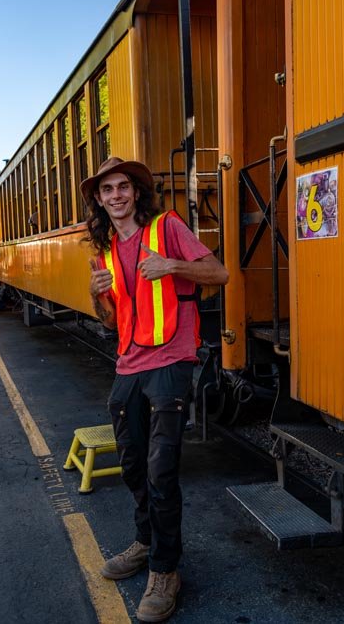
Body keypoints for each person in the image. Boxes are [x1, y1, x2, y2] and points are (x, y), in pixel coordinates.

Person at [84, 156, 228, 622]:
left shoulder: (167, 227)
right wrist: (95, 293)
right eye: (107, 191)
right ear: (100, 201)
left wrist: (172, 265)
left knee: (161, 470)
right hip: (129, 365)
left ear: (136, 192)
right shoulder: (104, 251)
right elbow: (110, 320)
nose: (117, 196)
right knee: (132, 465)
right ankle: (147, 542)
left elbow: (219, 274)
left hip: (170, 361)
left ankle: (165, 570)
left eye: (123, 187)